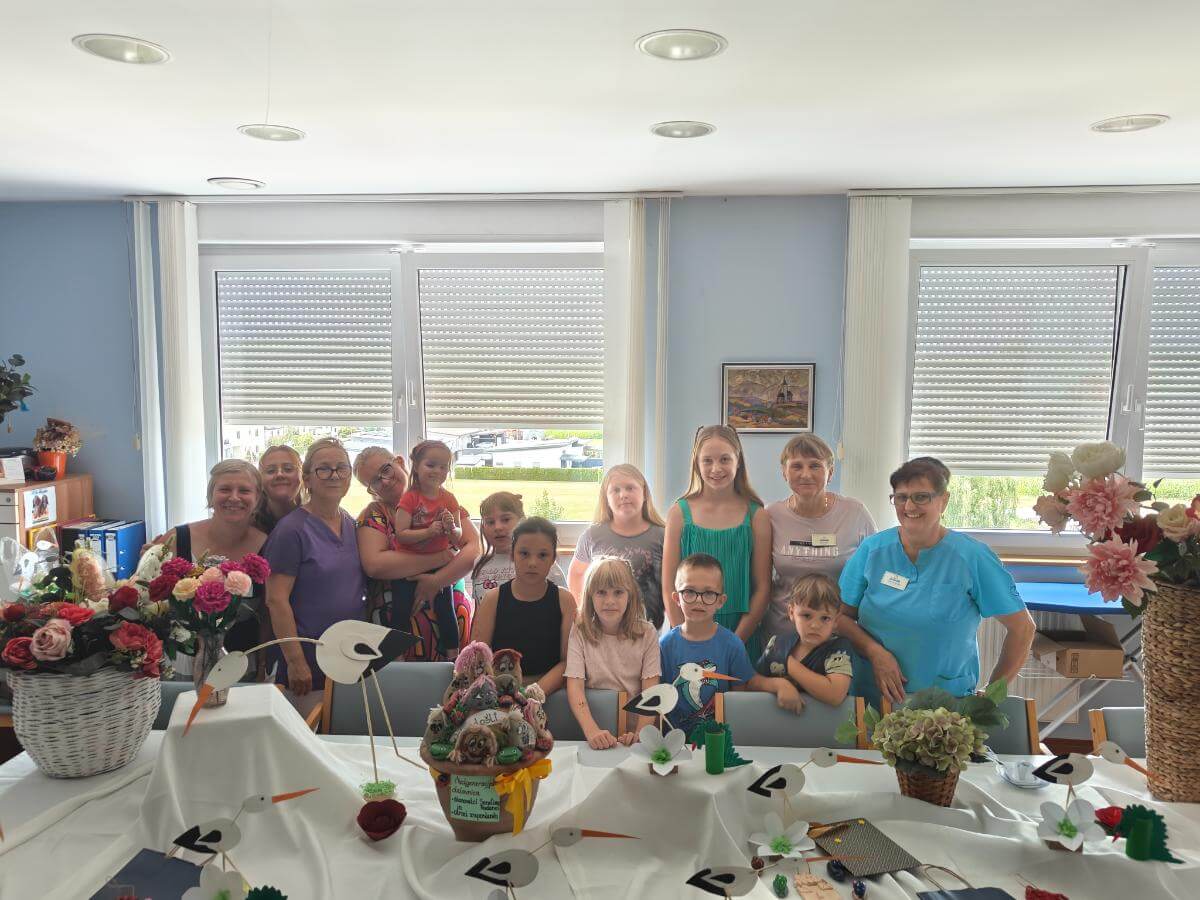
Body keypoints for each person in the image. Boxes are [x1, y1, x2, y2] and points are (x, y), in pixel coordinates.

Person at [837, 457, 1036, 708]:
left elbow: (1023, 628)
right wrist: (875, 652)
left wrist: (992, 694)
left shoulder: (972, 557)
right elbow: (840, 619)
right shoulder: (872, 550)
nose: (909, 506)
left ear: (944, 500)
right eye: (901, 497)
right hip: (872, 696)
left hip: (945, 705)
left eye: (921, 497)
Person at [262, 438, 365, 716]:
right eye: (323, 469)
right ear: (307, 479)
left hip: (347, 658)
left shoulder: (350, 523)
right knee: (306, 736)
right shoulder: (291, 531)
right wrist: (295, 662)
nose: (334, 475)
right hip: (306, 664)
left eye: (341, 468)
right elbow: (276, 600)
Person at [353, 446, 478, 662]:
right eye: (374, 481)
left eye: (386, 469)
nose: (385, 481)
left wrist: (437, 580)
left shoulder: (443, 499)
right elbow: (376, 564)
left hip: (450, 642)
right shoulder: (375, 514)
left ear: (400, 462)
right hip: (401, 650)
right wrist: (442, 557)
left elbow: (474, 550)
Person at [662, 426, 772, 656]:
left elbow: (762, 589)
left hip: (742, 633)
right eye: (707, 460)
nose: (716, 468)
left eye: (724, 459)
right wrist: (688, 641)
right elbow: (669, 586)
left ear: (738, 461)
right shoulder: (679, 514)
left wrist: (732, 645)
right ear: (696, 463)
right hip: (688, 635)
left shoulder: (757, 516)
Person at [659, 554, 798, 734]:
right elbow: (658, 699)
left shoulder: (732, 645)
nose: (699, 600)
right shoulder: (665, 646)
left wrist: (780, 685)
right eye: (689, 592)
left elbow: (740, 697)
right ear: (677, 598)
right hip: (674, 741)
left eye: (709, 593)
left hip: (718, 739)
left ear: (721, 601)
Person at [151, 459, 267, 657]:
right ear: (210, 496)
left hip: (243, 661)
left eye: (244, 491)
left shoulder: (268, 545)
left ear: (257, 499)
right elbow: (148, 600)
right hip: (181, 659)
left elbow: (269, 612)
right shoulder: (177, 539)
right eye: (225, 489)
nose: (234, 497)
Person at [765, 435, 876, 641]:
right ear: (784, 472)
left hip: (837, 637)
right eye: (796, 466)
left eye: (815, 466)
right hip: (783, 637)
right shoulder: (771, 515)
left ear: (830, 472)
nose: (805, 474)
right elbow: (761, 582)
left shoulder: (855, 513)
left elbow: (874, 575)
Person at [472, 517, 576, 696]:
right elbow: (478, 658)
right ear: (512, 555)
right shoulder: (492, 599)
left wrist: (532, 695)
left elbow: (568, 662)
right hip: (498, 693)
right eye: (524, 553)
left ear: (553, 559)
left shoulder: (565, 601)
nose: (532, 563)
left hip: (547, 694)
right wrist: (504, 695)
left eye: (542, 555)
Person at [565, 557, 660, 749]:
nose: (609, 601)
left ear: (630, 595)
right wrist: (592, 731)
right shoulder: (580, 630)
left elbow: (651, 691)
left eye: (618, 592)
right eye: (601, 592)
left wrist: (640, 734)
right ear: (590, 595)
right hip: (594, 732)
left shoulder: (647, 633)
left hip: (633, 734)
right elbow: (575, 687)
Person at [391, 440, 468, 654]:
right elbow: (401, 534)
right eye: (431, 465)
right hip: (407, 564)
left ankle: (453, 656)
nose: (437, 471)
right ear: (416, 466)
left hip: (438, 565)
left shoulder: (449, 499)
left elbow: (458, 536)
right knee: (401, 608)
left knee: (446, 609)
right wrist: (428, 532)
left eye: (443, 467)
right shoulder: (410, 498)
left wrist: (451, 528)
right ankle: (396, 657)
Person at [569, 464, 667, 630]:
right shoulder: (592, 536)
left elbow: (672, 583)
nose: (623, 495)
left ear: (644, 493)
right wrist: (583, 612)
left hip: (648, 632)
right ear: (606, 498)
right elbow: (577, 573)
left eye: (630, 488)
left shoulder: (662, 536)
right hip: (602, 632)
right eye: (615, 490)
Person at [755, 573, 852, 708]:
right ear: (791, 612)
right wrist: (779, 685)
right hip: (777, 720)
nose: (815, 625)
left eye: (825, 618)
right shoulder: (777, 644)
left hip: (824, 721)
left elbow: (835, 695)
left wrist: (788, 663)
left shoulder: (839, 647)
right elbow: (753, 682)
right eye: (806, 615)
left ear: (836, 620)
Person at [470, 491, 566, 605]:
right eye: (490, 522)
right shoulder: (479, 564)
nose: (498, 527)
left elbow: (563, 605)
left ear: (522, 521)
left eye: (506, 519)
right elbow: (479, 609)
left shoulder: (542, 563)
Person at [254, 444, 303, 534]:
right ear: (260, 479)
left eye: (288, 469)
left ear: (302, 475)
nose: (279, 474)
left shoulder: (317, 519)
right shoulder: (249, 524)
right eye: (271, 471)